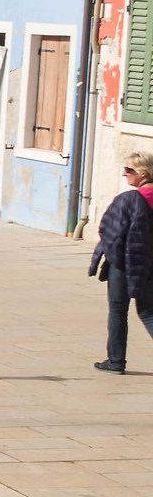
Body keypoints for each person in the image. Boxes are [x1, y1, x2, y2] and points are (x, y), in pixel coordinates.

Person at [92, 151, 153, 373]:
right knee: (148, 312)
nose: (124, 174)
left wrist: (111, 259)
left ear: (143, 174)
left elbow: (110, 231)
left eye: (129, 170)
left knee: (118, 311)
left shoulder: (128, 199)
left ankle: (116, 361)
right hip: (150, 264)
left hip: (126, 262)